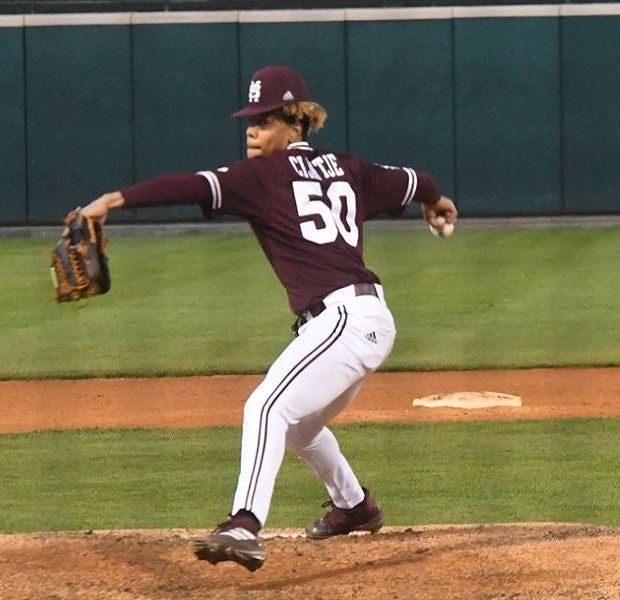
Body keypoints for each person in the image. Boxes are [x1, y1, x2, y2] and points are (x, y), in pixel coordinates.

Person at [80, 65, 458, 572]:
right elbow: (418, 180)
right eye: (250, 121)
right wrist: (435, 203)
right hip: (363, 320)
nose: (252, 131)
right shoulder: (351, 168)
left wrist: (114, 200)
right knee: (300, 428)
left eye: (264, 121)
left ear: (296, 125)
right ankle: (354, 506)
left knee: (265, 408)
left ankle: (244, 523)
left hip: (342, 320)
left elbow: (189, 185)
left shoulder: (260, 177)